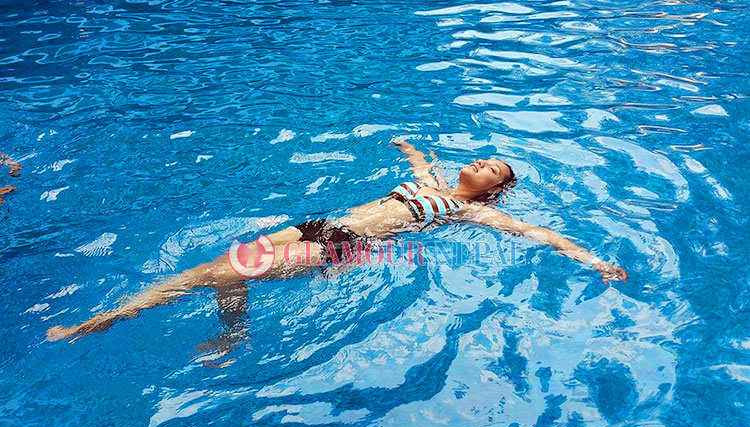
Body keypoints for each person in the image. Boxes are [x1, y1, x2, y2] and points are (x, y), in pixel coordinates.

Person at [46, 140, 627, 346]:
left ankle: (222, 330)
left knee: (227, 274)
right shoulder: (431, 182)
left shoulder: (472, 211)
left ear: (494, 191)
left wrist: (592, 259)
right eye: (483, 158)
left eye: (492, 169)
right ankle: (117, 317)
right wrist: (409, 148)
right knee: (213, 266)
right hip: (316, 224)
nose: (481, 163)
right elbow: (420, 164)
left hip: (344, 244)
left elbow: (537, 232)